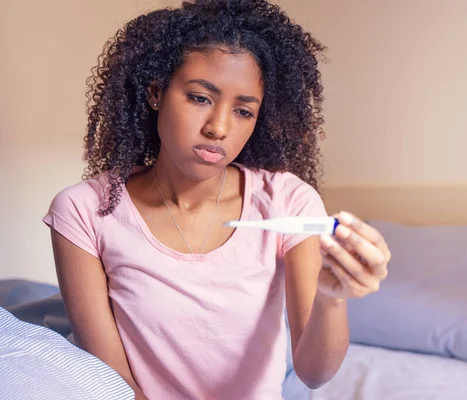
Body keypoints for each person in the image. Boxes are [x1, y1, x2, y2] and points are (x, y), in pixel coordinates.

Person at [43, 1, 391, 399]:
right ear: (156, 92)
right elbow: (114, 381)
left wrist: (331, 298)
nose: (219, 128)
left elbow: (313, 373)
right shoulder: (84, 211)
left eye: (244, 111)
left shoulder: (288, 201)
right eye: (200, 98)